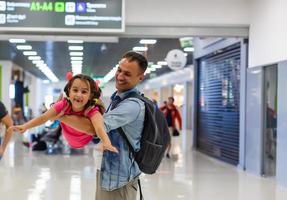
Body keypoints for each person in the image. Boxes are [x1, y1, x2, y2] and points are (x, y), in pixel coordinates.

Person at [58, 51, 147, 200]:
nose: (119, 76)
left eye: (127, 74)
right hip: (109, 172)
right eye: (119, 70)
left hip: (119, 179)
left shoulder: (132, 105)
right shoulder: (118, 99)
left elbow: (95, 127)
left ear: (140, 77)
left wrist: (59, 114)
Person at [9, 74, 118, 153]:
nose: (79, 94)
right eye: (75, 90)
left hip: (85, 140)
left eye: (84, 92)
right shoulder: (64, 104)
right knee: (54, 114)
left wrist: (106, 143)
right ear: (69, 92)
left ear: (90, 96)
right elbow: (44, 117)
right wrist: (25, 126)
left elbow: (99, 128)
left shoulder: (92, 109)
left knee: (96, 123)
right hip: (70, 139)